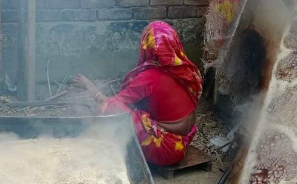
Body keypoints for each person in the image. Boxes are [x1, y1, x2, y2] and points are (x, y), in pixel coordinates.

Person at [73, 21, 203, 166]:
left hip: (168, 150)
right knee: (138, 109)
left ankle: (115, 147)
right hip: (185, 139)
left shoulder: (150, 77)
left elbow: (110, 104)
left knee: (118, 111)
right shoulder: (187, 71)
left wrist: (90, 87)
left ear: (146, 46)